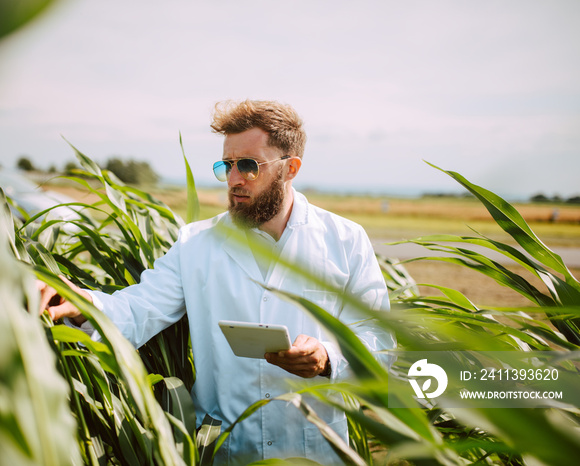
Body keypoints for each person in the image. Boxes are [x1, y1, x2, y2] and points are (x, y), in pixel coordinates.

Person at [39, 100, 395, 465]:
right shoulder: (195, 243)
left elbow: (380, 343)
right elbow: (137, 308)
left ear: (290, 168)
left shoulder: (346, 241)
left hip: (317, 453)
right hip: (226, 453)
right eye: (226, 165)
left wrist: (326, 359)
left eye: (248, 166)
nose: (234, 179)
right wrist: (83, 304)